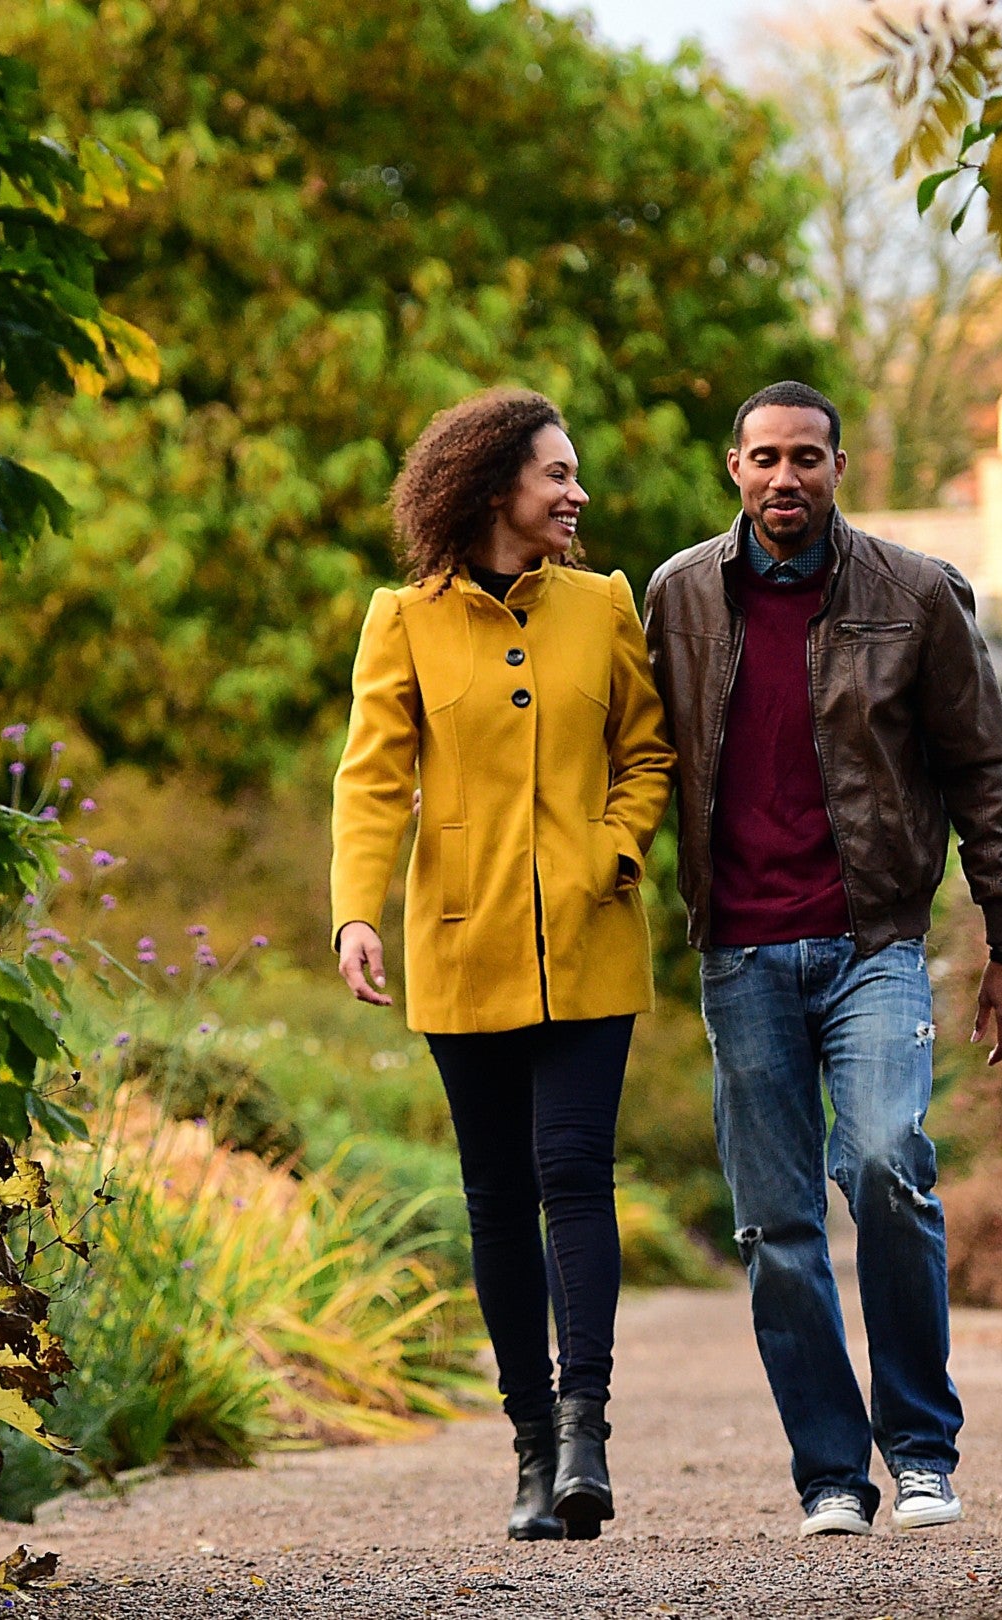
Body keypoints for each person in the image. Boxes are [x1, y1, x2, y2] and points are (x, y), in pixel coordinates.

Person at [643, 380, 1002, 1539]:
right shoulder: (675, 599)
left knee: (885, 1165)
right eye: (764, 459)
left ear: (839, 466)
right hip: (742, 954)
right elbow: (621, 756)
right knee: (775, 1227)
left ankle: (920, 1448)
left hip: (872, 941)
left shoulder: (915, 595)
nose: (784, 479)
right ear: (733, 469)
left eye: (805, 459)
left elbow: (984, 774)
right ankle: (830, 1473)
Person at [329, 387, 675, 1542]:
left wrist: (615, 848)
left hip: (588, 937)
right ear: (493, 489)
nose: (577, 493)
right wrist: (354, 914)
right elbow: (373, 776)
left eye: (575, 476)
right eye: (557, 475)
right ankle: (530, 1446)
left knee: (574, 1173)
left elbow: (648, 750)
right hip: (461, 941)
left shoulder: (605, 604)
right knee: (494, 1197)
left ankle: (586, 1435)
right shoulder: (405, 619)